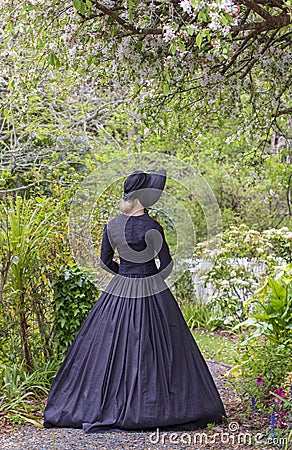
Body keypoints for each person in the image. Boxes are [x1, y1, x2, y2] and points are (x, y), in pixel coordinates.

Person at [43, 169, 226, 433]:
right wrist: (151, 278)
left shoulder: (112, 226)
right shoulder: (152, 227)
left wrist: (125, 276)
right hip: (152, 289)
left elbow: (105, 261)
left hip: (119, 289)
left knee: (109, 346)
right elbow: (167, 264)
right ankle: (156, 405)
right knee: (159, 347)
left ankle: (106, 402)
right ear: (144, 197)